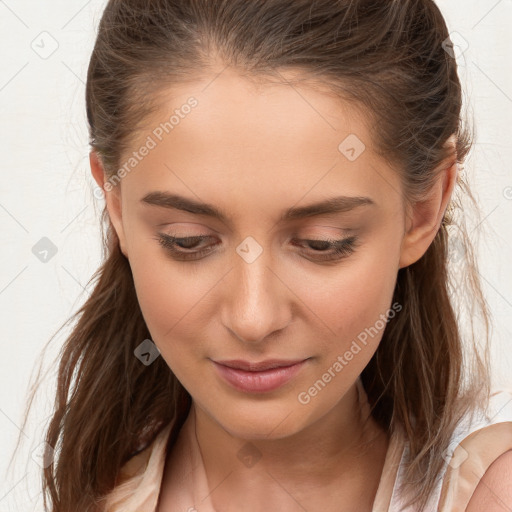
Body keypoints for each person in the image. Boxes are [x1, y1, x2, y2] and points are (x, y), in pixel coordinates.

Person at [18, 0, 512, 510]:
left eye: (323, 242)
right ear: (116, 203)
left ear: (423, 208)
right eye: (187, 240)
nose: (253, 319)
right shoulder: (96, 494)